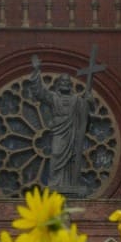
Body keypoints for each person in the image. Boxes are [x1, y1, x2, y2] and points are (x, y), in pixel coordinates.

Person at [27, 59, 91, 196]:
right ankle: (55, 184)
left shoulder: (77, 100)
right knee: (56, 155)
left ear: (70, 85)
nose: (65, 84)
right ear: (57, 84)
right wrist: (36, 71)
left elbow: (85, 116)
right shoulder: (53, 97)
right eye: (62, 82)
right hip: (59, 131)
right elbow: (40, 93)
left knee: (72, 158)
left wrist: (89, 103)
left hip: (72, 131)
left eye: (67, 82)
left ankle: (71, 184)